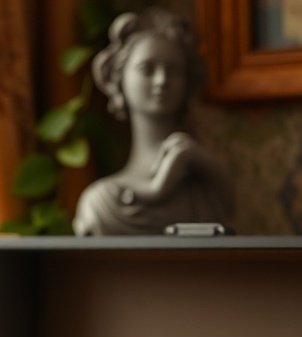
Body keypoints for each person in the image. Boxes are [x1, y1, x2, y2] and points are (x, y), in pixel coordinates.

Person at [73, 8, 233, 237]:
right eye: (147, 69)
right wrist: (155, 189)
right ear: (119, 77)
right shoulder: (103, 203)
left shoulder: (203, 192)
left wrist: (195, 158)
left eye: (173, 70)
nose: (162, 81)